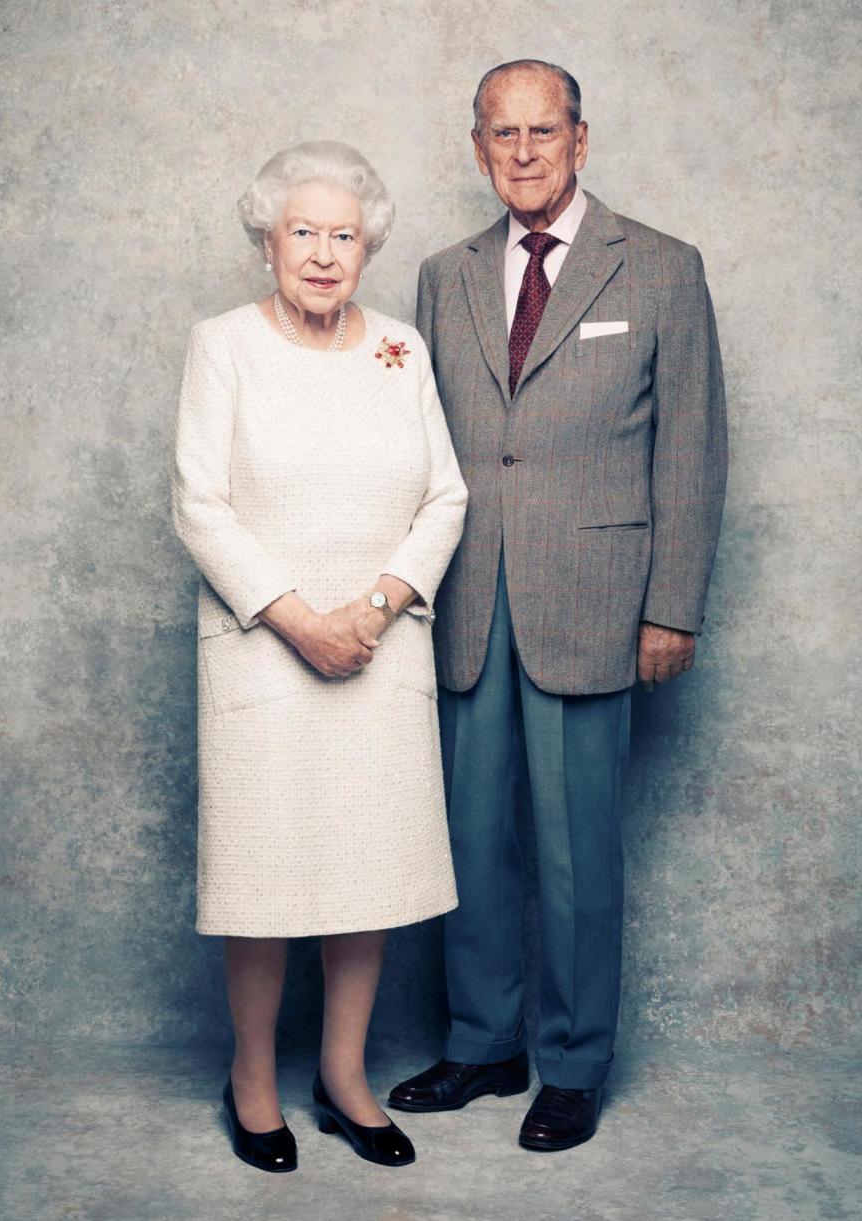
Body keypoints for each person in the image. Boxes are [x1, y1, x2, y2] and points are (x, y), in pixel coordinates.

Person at [389, 59, 728, 1151]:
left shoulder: (664, 269)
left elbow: (692, 451)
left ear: (581, 140)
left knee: (578, 853)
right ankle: (486, 1044)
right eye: (503, 134)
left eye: (544, 132)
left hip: (595, 602)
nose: (524, 152)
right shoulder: (443, 275)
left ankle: (575, 1066)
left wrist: (671, 604)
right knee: (471, 842)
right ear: (478, 146)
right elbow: (420, 443)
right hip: (465, 606)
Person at [170, 140, 468, 1172]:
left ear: (368, 247)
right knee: (267, 877)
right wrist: (301, 620)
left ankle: (345, 1076)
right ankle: (253, 1077)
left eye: (345, 235)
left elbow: (447, 496)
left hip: (379, 652)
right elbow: (199, 504)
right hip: (265, 652)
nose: (325, 253)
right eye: (305, 232)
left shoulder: (401, 349)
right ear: (267, 240)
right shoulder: (224, 345)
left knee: (365, 872)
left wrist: (375, 610)